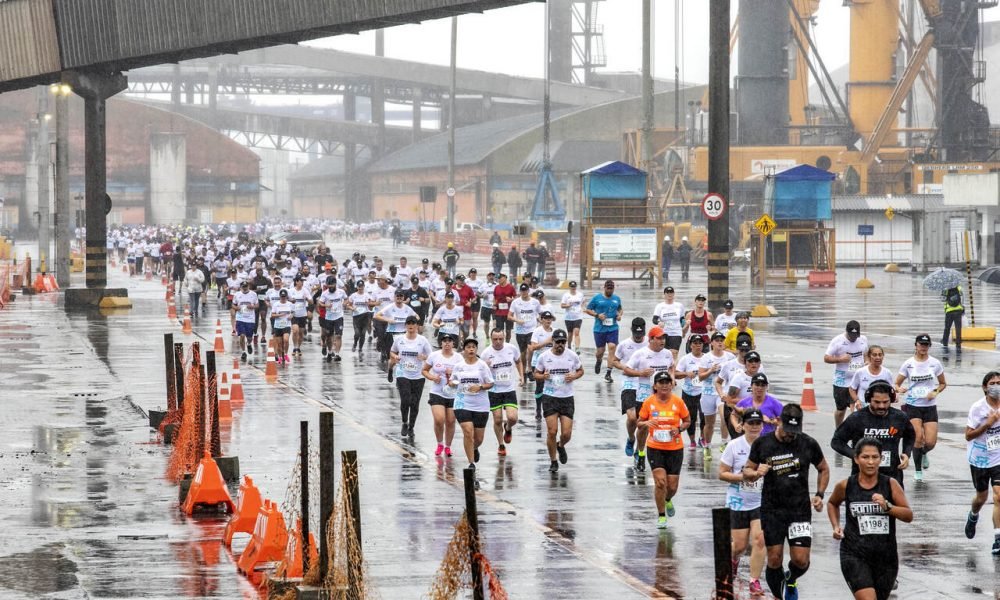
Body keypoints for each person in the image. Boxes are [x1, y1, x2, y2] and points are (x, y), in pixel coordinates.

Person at [742, 404, 830, 600]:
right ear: (778, 422)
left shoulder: (808, 443)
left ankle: (790, 578)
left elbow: (823, 468)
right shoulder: (762, 444)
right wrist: (756, 473)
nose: (791, 435)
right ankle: (781, 595)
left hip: (799, 510)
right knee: (774, 559)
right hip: (772, 509)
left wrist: (820, 494)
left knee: (801, 560)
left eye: (795, 431)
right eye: (788, 431)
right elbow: (746, 471)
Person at [827, 438, 913, 600]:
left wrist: (888, 506)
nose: (870, 462)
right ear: (856, 458)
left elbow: (908, 515)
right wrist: (836, 526)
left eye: (875, 457)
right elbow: (832, 503)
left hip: (885, 557)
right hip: (854, 553)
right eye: (865, 457)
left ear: (881, 459)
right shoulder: (846, 485)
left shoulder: (891, 484)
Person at [719, 408, 767, 596]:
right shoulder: (734, 445)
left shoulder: (768, 446)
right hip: (738, 500)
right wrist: (743, 478)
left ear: (762, 426)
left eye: (758, 424)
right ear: (743, 425)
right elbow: (721, 473)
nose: (754, 427)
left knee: (760, 539)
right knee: (739, 545)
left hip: (761, 502)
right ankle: (733, 560)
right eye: (751, 423)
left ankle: (754, 581)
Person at [831, 382, 914, 486]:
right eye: (877, 402)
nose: (881, 406)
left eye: (885, 402)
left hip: (892, 476)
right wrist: (856, 455)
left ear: (891, 400)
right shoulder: (857, 418)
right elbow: (836, 441)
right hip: (861, 478)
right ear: (869, 399)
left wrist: (906, 453)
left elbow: (910, 435)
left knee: (895, 503)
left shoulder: (900, 417)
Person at [638, 371, 690, 529]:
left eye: (667, 382)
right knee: (660, 483)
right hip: (655, 447)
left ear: (672, 385)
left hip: (675, 448)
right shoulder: (649, 402)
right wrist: (647, 424)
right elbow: (639, 422)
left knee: (672, 487)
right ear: (655, 386)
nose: (665, 385)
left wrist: (679, 428)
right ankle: (661, 516)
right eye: (661, 383)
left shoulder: (678, 402)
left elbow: (687, 420)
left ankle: (667, 500)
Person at [894, 333, 946, 482]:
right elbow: (896, 383)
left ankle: (923, 453)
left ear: (929, 346)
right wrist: (899, 388)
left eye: (926, 345)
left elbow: (942, 383)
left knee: (930, 442)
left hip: (929, 406)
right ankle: (918, 470)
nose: (923, 347)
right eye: (921, 345)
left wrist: (934, 392)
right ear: (916, 345)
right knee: (918, 438)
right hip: (913, 405)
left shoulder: (935, 363)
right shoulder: (909, 363)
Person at [623, 326, 676, 471]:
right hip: (644, 396)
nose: (662, 341)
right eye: (659, 338)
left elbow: (671, 367)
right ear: (651, 339)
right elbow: (626, 370)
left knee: (659, 425)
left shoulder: (667, 354)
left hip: (662, 397)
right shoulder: (641, 354)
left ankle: (652, 452)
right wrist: (641, 373)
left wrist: (672, 377)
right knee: (643, 426)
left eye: (663, 338)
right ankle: (640, 453)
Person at [535, 329, 584, 473]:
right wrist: (543, 376)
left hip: (567, 397)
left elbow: (581, 370)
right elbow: (535, 373)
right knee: (552, 431)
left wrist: (574, 376)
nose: (560, 345)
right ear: (553, 342)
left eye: (563, 342)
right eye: (558, 342)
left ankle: (561, 445)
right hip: (550, 397)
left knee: (566, 433)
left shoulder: (572, 356)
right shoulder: (544, 357)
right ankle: (553, 461)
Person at [963, 371, 1000, 553]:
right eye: (992, 383)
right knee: (981, 498)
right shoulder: (978, 408)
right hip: (980, 458)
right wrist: (988, 423)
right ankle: (973, 514)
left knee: (999, 496)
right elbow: (968, 435)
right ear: (985, 387)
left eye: (999, 382)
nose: (996, 386)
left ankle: (998, 538)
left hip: (998, 457)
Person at [452, 338, 495, 477]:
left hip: (480, 405)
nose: (471, 349)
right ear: (464, 350)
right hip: (462, 402)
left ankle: (474, 448)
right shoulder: (458, 366)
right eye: (468, 347)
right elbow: (453, 380)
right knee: (468, 432)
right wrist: (452, 383)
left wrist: (480, 387)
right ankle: (471, 463)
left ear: (476, 350)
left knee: (478, 439)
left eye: (473, 347)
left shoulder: (482, 366)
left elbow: (490, 383)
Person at [481, 328, 523, 457]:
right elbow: (480, 372)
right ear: (491, 338)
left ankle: (508, 428)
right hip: (494, 390)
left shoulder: (511, 348)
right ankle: (501, 445)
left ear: (504, 338)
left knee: (512, 418)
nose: (498, 342)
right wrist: (486, 366)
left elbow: (518, 361)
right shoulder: (486, 353)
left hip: (509, 388)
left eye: (500, 339)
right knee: (498, 419)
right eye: (495, 339)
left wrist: (521, 376)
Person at [389, 316, 434, 438]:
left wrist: (424, 357)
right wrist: (395, 357)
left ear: (417, 326)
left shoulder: (422, 340)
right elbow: (392, 351)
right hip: (402, 373)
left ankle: (411, 426)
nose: (411, 326)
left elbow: (431, 356)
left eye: (413, 323)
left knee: (415, 403)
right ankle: (404, 422)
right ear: (405, 326)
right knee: (405, 399)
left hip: (418, 375)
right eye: (408, 323)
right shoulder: (399, 339)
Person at [422, 334, 463, 457]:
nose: (447, 343)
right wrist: (433, 377)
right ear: (441, 343)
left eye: (449, 341)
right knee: (439, 420)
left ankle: (448, 446)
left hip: (453, 394)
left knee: (450, 421)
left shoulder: (459, 358)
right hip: (437, 392)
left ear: (453, 344)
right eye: (444, 341)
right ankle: (440, 443)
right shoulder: (434, 356)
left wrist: (454, 376)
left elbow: (464, 375)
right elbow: (424, 370)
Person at [613, 318, 648, 456]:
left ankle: (640, 451)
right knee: (632, 418)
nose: (638, 337)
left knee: (643, 420)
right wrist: (625, 367)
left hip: (645, 384)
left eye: (641, 334)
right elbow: (614, 361)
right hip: (628, 382)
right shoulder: (624, 344)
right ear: (632, 331)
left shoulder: (649, 343)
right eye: (636, 334)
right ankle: (631, 438)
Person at [824, 320, 869, 427]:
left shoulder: (863, 339)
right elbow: (826, 358)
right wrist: (840, 359)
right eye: (851, 335)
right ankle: (838, 429)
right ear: (846, 332)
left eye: (856, 336)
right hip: (842, 381)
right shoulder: (837, 341)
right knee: (841, 410)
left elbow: (866, 353)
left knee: (857, 407)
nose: (854, 338)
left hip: (858, 380)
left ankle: (855, 432)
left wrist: (867, 362)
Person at [698, 332, 735, 458]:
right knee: (710, 424)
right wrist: (710, 371)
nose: (720, 342)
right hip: (708, 392)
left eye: (722, 340)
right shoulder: (706, 358)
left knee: (725, 418)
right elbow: (700, 377)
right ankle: (707, 445)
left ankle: (724, 442)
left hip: (723, 392)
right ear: (712, 343)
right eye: (717, 340)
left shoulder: (729, 357)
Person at [584, 279, 623, 383]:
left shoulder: (616, 299)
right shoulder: (597, 298)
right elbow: (587, 309)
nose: (610, 290)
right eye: (608, 288)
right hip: (599, 329)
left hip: (613, 328)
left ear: (613, 289)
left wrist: (619, 315)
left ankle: (608, 373)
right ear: (604, 287)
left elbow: (620, 309)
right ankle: (599, 360)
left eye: (611, 289)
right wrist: (597, 315)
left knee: (612, 347)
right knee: (600, 351)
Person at [675, 334, 706, 449]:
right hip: (688, 392)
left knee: (704, 417)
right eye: (695, 343)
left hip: (703, 392)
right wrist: (686, 374)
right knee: (690, 418)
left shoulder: (707, 358)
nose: (698, 346)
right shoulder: (685, 359)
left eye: (700, 343)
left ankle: (702, 438)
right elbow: (676, 374)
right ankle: (692, 440)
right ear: (690, 345)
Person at [527, 311, 557, 420]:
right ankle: (538, 409)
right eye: (546, 318)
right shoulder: (537, 331)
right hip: (538, 361)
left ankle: (550, 408)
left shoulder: (555, 332)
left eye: (550, 318)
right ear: (542, 319)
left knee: (552, 385)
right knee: (540, 386)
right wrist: (547, 342)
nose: (548, 320)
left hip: (552, 362)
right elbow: (533, 347)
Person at [510, 283, 541, 375]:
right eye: (522, 291)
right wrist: (517, 320)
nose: (524, 292)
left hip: (532, 330)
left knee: (531, 348)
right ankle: (523, 371)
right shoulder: (515, 302)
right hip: (520, 331)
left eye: (525, 291)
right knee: (523, 353)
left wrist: (541, 323)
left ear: (528, 291)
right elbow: (509, 316)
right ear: (520, 292)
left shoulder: (535, 302)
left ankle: (529, 368)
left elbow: (540, 314)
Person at [848, 345, 893, 411]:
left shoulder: (887, 373)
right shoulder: (860, 372)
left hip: (880, 409)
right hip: (862, 409)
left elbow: (891, 391)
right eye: (874, 355)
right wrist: (857, 400)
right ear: (869, 357)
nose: (878, 357)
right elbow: (852, 389)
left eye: (880, 355)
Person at [318, 276, 347, 362]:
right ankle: (330, 352)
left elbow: (346, 299)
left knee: (338, 335)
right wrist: (326, 305)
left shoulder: (341, 292)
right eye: (328, 285)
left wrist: (344, 304)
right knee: (329, 337)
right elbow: (320, 303)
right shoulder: (325, 293)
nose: (330, 287)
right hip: (329, 317)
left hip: (339, 316)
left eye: (331, 285)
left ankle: (337, 354)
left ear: (335, 284)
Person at [652, 286, 685, 361]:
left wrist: (683, 327)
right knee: (664, 353)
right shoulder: (660, 306)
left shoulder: (679, 306)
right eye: (667, 293)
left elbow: (682, 319)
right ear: (664, 295)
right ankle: (664, 370)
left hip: (676, 332)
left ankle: (673, 371)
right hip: (664, 333)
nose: (669, 295)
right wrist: (659, 322)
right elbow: (654, 319)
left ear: (674, 294)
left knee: (674, 353)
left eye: (671, 293)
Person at [232, 280, 258, 362]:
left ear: (248, 286)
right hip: (240, 318)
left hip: (250, 319)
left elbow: (257, 305)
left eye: (246, 287)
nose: (245, 288)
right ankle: (243, 352)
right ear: (241, 287)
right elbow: (233, 305)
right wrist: (236, 308)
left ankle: (249, 344)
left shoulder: (253, 294)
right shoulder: (237, 294)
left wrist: (252, 307)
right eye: (243, 287)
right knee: (242, 335)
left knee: (249, 337)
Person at [345, 281, 373, 354]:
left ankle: (360, 348)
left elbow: (371, 307)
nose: (360, 288)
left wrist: (369, 304)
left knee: (363, 334)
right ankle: (355, 344)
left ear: (364, 287)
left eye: (362, 286)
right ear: (357, 287)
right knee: (357, 333)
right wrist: (352, 308)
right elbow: (347, 305)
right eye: (359, 286)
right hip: (356, 317)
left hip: (365, 316)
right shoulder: (353, 296)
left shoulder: (367, 295)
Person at [560, 281, 585, 352]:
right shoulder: (566, 295)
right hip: (568, 317)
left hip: (578, 316)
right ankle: (569, 346)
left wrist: (582, 308)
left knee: (576, 332)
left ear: (576, 287)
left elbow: (583, 301)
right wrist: (567, 305)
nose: (573, 288)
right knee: (570, 333)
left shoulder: (580, 294)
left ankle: (577, 348)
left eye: (574, 287)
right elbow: (562, 305)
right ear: (569, 287)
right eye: (572, 287)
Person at [271, 289, 294, 364]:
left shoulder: (290, 304)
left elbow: (293, 312)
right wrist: (279, 315)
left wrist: (291, 316)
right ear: (280, 297)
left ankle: (286, 354)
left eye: (284, 296)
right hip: (278, 326)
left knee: (286, 340)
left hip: (287, 325)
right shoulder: (276, 304)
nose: (283, 298)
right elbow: (272, 315)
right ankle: (280, 357)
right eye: (282, 296)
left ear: (286, 296)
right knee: (279, 343)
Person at [492, 273, 517, 343]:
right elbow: (494, 298)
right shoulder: (496, 287)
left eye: (500, 278)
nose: (498, 280)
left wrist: (511, 300)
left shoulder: (511, 287)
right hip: (499, 312)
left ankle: (507, 343)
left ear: (505, 278)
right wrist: (494, 306)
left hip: (509, 312)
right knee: (500, 331)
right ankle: (502, 344)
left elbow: (516, 298)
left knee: (508, 330)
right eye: (498, 278)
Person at [941, 284, 964, 352]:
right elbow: (962, 298)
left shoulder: (945, 288)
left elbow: (943, 299)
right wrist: (962, 307)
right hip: (958, 310)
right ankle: (958, 343)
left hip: (949, 311)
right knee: (958, 328)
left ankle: (945, 342)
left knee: (947, 327)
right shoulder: (959, 287)